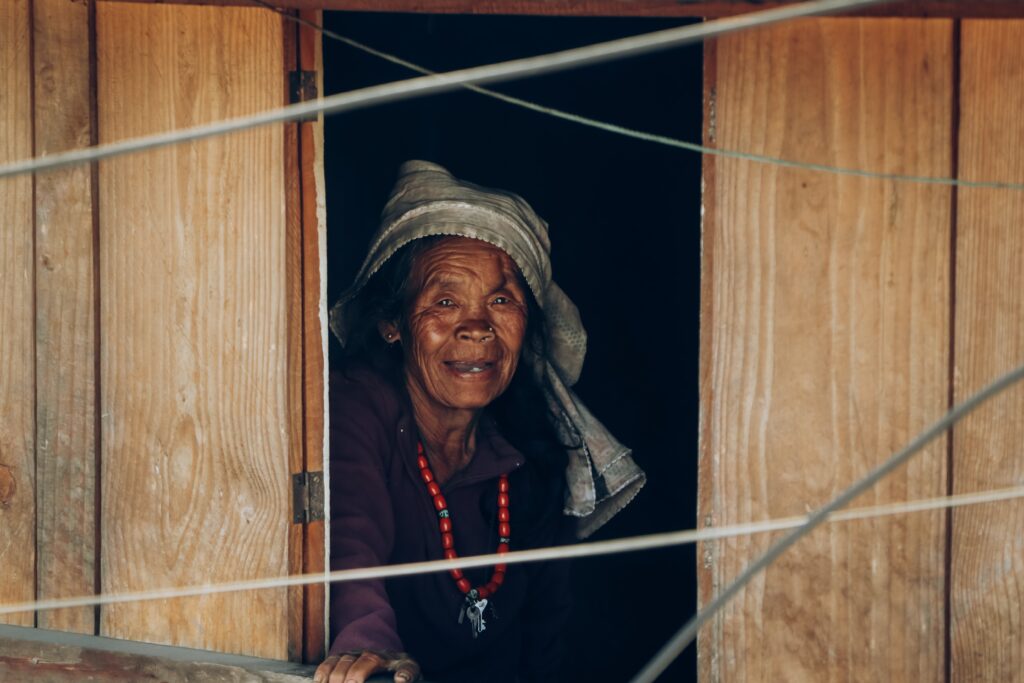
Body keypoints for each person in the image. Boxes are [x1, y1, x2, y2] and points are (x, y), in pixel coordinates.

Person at [316, 161, 644, 683]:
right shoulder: (358, 405)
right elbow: (349, 539)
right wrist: (370, 649)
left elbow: (546, 638)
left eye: (501, 300)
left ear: (526, 326)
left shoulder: (532, 457)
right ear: (392, 323)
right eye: (445, 301)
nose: (476, 327)